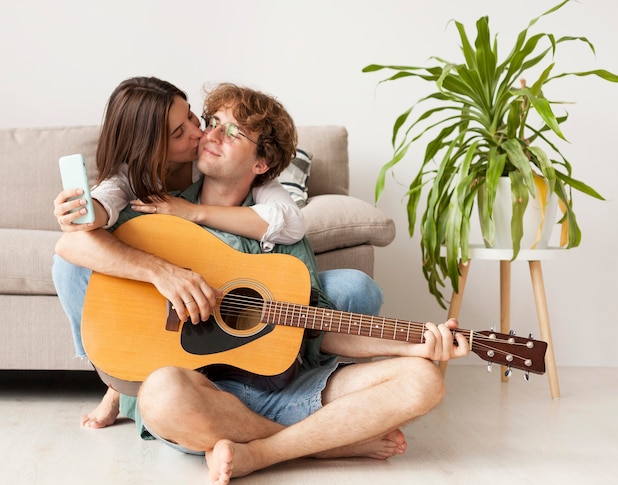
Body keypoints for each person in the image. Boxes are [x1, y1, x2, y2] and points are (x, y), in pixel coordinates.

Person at [55, 82, 470, 485]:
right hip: (203, 396)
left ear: (260, 164)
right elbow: (75, 238)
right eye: (212, 122)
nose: (208, 135)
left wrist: (411, 344)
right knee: (161, 392)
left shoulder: (279, 234)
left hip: (279, 387)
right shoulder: (156, 206)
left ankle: (262, 451)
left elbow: (317, 330)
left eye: (232, 133)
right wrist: (161, 271)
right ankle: (319, 444)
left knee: (425, 378)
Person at [52, 78, 383, 429]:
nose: (202, 135)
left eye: (196, 119)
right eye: (185, 132)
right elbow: (79, 235)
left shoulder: (248, 185)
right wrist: (86, 216)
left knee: (353, 289)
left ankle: (275, 392)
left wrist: (192, 212)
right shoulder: (139, 187)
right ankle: (120, 380)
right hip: (168, 320)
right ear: (155, 150)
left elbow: (289, 223)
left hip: (242, 321)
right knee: (70, 267)